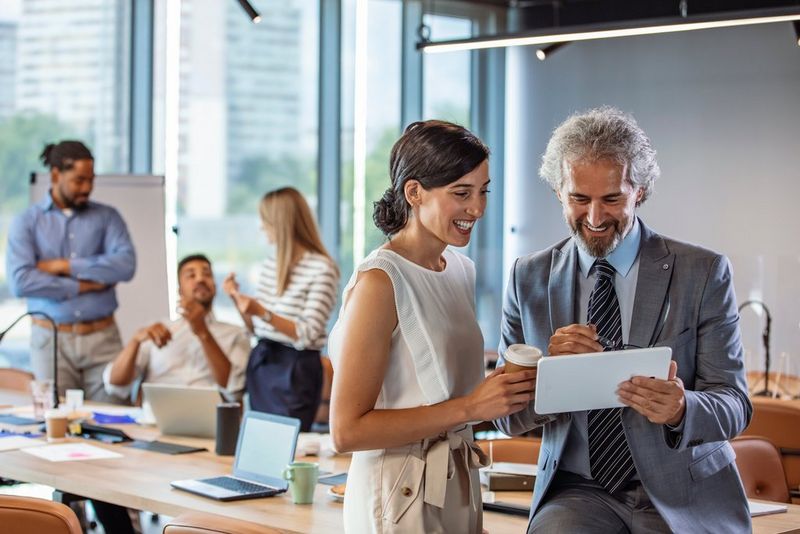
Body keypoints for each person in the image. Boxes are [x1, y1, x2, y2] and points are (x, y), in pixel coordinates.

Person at [495, 107, 752, 533]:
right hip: (579, 492)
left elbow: (735, 404)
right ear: (559, 192)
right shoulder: (529, 277)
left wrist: (683, 408)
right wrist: (549, 376)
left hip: (684, 494)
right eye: (579, 199)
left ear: (641, 191)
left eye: (611, 199)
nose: (594, 219)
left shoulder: (702, 272)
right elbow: (508, 417)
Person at [328, 120, 536, 533]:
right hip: (396, 495)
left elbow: (440, 386)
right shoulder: (380, 282)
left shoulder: (460, 269)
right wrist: (473, 408)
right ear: (413, 192)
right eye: (461, 193)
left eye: (483, 191)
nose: (477, 208)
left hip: (457, 481)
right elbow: (346, 431)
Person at [6, 141, 136, 402]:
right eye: (79, 180)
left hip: (103, 339)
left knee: (115, 421)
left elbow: (125, 265)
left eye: (91, 180)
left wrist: (63, 266)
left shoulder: (107, 217)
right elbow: (21, 281)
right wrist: (83, 285)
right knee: (54, 423)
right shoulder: (27, 222)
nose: (86, 188)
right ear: (56, 175)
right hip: (50, 341)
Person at [223, 187, 339, 431]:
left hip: (295, 369)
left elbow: (307, 333)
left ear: (280, 223)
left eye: (265, 220)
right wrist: (238, 301)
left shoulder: (322, 268)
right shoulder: (271, 263)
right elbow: (257, 327)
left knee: (289, 441)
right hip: (263, 361)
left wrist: (261, 311)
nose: (262, 227)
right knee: (261, 439)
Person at [103, 254, 249, 402]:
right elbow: (115, 384)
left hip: (209, 420)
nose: (200, 279)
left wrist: (202, 331)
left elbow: (233, 389)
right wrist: (135, 341)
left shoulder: (235, 334)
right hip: (154, 419)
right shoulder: (158, 331)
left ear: (215, 287)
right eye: (191, 275)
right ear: (179, 290)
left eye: (207, 274)